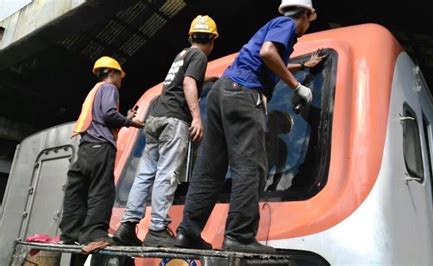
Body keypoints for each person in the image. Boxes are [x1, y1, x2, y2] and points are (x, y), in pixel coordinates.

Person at [175, 0, 326, 253]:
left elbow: (267, 59)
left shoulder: (272, 25)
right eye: (310, 21)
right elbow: (268, 53)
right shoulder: (286, 25)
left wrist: (301, 66)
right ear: (307, 14)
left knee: (209, 169)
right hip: (244, 94)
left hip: (221, 93)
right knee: (251, 166)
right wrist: (297, 86)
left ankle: (188, 232)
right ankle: (239, 236)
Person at [113, 15, 218, 247]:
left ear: (190, 36)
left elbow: (181, 80)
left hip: (155, 120)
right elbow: (189, 83)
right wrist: (197, 117)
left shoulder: (182, 55)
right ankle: (157, 229)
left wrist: (210, 77)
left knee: (145, 175)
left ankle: (127, 227)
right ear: (212, 41)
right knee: (167, 174)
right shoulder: (200, 55)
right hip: (174, 120)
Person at [59, 56, 144, 246]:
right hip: (101, 149)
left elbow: (101, 119)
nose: (121, 81)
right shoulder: (109, 88)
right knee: (101, 191)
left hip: (86, 148)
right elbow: (108, 115)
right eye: (120, 76)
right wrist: (131, 122)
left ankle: (69, 234)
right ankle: (94, 233)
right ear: (112, 73)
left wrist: (124, 117)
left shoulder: (94, 91)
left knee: (77, 191)